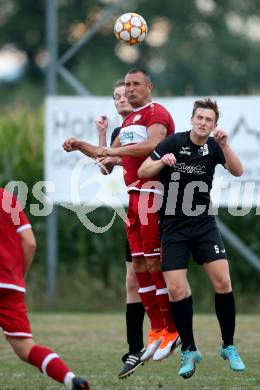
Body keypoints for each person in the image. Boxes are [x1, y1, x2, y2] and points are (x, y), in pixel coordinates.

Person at [63, 68, 180, 364]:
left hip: (153, 194)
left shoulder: (157, 112)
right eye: (125, 85)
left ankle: (171, 329)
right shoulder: (127, 122)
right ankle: (156, 330)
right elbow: (107, 159)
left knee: (154, 261)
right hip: (133, 199)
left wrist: (113, 148)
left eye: (135, 84)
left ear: (149, 87)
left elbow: (155, 145)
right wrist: (80, 145)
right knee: (139, 263)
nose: (129, 89)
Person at [138, 98, 246, 379]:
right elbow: (142, 172)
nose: (203, 123)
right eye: (199, 118)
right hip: (173, 226)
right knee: (176, 289)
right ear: (192, 119)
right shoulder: (173, 142)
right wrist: (161, 161)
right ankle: (189, 349)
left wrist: (224, 145)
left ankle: (228, 345)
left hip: (203, 225)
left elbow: (238, 170)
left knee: (223, 281)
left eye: (209, 120)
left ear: (214, 125)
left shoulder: (214, 147)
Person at [64, 80, 146, 379]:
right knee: (132, 281)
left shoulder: (149, 126)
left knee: (167, 278)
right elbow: (105, 166)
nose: (121, 99)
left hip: (160, 209)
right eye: (116, 96)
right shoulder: (117, 133)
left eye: (125, 94)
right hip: (136, 213)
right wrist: (100, 134)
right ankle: (135, 348)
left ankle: (176, 336)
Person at [0, 187, 90, 389]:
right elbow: (30, 242)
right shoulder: (8, 199)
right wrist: (17, 275)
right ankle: (70, 379)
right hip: (10, 286)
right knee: (26, 348)